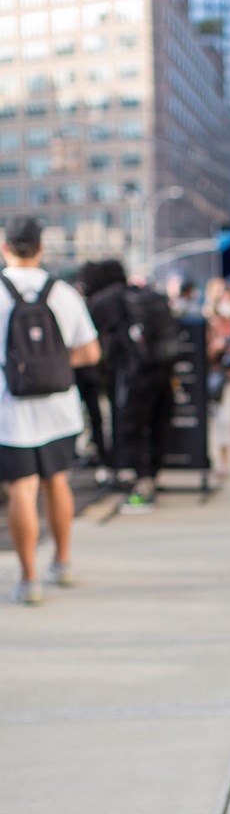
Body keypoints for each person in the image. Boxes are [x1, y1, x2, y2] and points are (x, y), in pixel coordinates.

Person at [0, 216, 100, 604]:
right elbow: (90, 352)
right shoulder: (62, 292)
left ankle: (29, 579)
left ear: (5, 247)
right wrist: (52, 364)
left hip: (11, 411)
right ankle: (62, 561)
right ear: (41, 247)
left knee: (22, 490)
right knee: (57, 481)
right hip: (60, 408)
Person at [82, 259, 176, 512]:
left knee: (131, 427)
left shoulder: (104, 300)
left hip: (132, 373)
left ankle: (140, 483)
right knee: (157, 424)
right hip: (161, 369)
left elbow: (83, 337)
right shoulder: (144, 295)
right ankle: (151, 477)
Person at [205, 281, 230, 477]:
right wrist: (217, 347)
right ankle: (223, 458)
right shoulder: (213, 323)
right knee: (223, 420)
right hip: (222, 378)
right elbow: (207, 353)